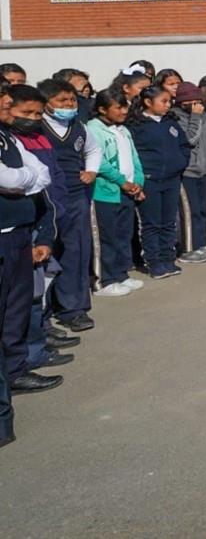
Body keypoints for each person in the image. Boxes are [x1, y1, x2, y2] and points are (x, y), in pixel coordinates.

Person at [0, 83, 62, 404]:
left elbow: (42, 175)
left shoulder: (8, 137)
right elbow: (8, 179)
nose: (9, 108)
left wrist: (20, 180)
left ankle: (15, 371)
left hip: (20, 234)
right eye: (6, 103)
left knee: (17, 308)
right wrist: (21, 179)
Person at [7, 86, 75, 373]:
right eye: (25, 113)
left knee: (43, 281)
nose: (33, 118)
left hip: (47, 214)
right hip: (21, 226)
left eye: (37, 113)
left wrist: (31, 179)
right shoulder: (10, 140)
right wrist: (29, 178)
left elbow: (45, 176)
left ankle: (41, 335)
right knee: (28, 295)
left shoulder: (34, 139)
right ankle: (30, 355)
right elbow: (15, 180)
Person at [36, 79, 103, 327]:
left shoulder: (79, 127)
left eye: (72, 100)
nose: (69, 105)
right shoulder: (37, 127)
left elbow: (94, 150)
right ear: (46, 104)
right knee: (46, 252)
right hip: (46, 199)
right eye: (62, 101)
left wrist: (92, 171)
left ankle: (74, 309)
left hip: (75, 196)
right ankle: (43, 312)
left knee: (76, 250)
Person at [85, 89, 145, 299]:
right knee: (106, 237)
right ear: (102, 109)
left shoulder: (123, 130)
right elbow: (98, 162)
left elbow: (134, 157)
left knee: (123, 235)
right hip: (106, 193)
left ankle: (121, 273)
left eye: (125, 107)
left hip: (127, 192)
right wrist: (122, 182)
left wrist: (137, 182)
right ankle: (104, 279)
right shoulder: (93, 129)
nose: (123, 111)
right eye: (118, 107)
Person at [127, 86, 192, 279]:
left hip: (172, 179)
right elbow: (133, 154)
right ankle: (154, 262)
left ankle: (168, 258)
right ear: (148, 102)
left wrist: (180, 162)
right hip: (150, 181)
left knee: (168, 222)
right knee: (151, 223)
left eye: (168, 101)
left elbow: (183, 145)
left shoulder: (170, 122)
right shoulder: (136, 125)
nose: (168, 105)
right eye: (163, 101)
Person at [172, 82, 206, 263]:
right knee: (189, 212)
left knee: (201, 210)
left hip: (204, 169)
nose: (198, 104)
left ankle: (201, 243)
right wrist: (195, 116)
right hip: (189, 171)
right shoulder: (177, 117)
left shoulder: (203, 115)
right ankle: (189, 248)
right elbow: (190, 138)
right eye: (193, 101)